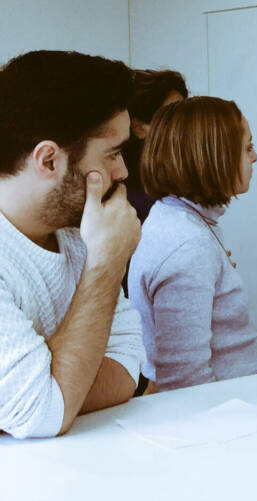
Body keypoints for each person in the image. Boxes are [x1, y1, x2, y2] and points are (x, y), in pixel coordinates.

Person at [0, 50, 144, 438]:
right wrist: (106, 264)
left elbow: (127, 365)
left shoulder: (81, 231)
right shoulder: (98, 243)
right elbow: (41, 411)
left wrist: (55, 387)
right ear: (49, 160)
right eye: (113, 153)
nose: (123, 171)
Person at [128, 96, 257, 391]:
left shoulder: (183, 222)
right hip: (223, 410)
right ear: (215, 157)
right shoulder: (187, 244)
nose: (255, 157)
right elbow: (185, 382)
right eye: (247, 148)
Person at [124, 69, 188, 222]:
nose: (185, 124)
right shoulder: (127, 200)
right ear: (139, 128)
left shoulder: (180, 178)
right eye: (171, 116)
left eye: (185, 113)